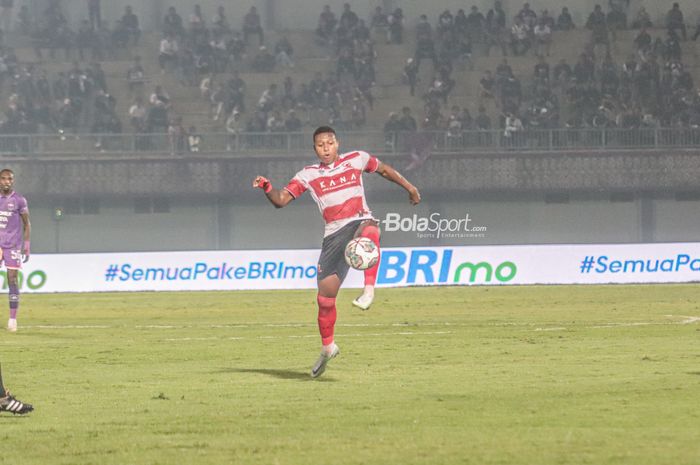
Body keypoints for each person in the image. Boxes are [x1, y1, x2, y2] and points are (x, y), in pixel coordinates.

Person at [252, 127, 421, 378]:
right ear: (315, 149)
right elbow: (281, 200)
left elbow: (384, 169)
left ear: (337, 143)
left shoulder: (357, 159)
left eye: (330, 142)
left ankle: (369, 290)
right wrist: (267, 187)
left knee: (370, 230)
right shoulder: (307, 175)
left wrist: (410, 187)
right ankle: (328, 348)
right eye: (321, 145)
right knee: (325, 300)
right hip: (333, 235)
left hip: (358, 220)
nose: (326, 148)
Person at [0, 169, 30, 332]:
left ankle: (12, 319)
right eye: (3, 178)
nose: (6, 181)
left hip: (12, 245)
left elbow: (27, 223)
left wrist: (26, 245)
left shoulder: (19, 200)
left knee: (12, 279)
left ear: (13, 181)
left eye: (9, 179)